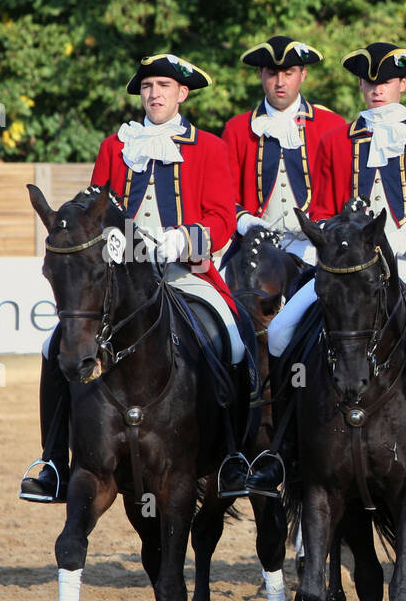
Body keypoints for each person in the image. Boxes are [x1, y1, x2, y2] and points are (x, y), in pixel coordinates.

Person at [251, 41, 406, 501]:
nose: (376, 90)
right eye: (369, 82)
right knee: (283, 331)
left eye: (384, 81)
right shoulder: (334, 141)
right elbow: (323, 207)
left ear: (402, 84)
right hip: (350, 268)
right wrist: (333, 237)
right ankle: (282, 447)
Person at [21, 53, 248, 502]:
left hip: (185, 271)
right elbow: (92, 211)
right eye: (147, 87)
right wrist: (109, 238)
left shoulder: (211, 147)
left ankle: (234, 454)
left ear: (182, 94)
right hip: (120, 282)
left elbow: (223, 218)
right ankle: (52, 461)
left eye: (163, 86)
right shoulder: (114, 146)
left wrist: (183, 240)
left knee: (235, 339)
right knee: (54, 345)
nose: (154, 94)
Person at [222, 35, 346, 267]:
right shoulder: (237, 129)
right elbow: (224, 195)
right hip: (255, 249)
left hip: (316, 248)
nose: (280, 82)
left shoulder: (332, 126)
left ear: (303, 75)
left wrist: (325, 224)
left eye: (288, 73)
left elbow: (343, 190)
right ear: (260, 75)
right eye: (272, 73)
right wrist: (245, 221)